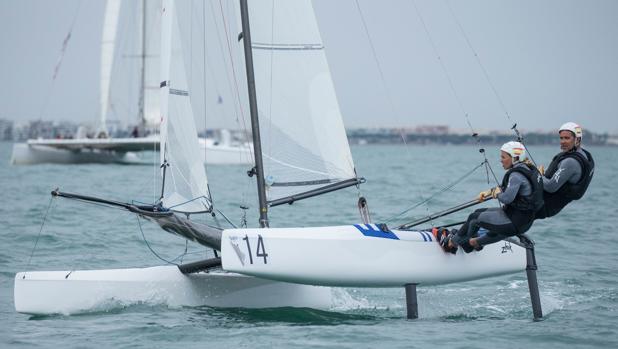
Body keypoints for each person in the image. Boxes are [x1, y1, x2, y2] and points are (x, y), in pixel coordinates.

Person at [435, 141, 544, 253]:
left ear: (515, 158)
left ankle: (451, 244)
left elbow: (506, 198)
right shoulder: (529, 169)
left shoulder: (516, 175)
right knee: (479, 211)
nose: (501, 160)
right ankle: (472, 243)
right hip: (524, 222)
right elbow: (512, 189)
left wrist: (496, 194)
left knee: (473, 218)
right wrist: (489, 192)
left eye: (503, 157)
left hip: (513, 222)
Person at [535, 122, 594, 219]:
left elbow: (550, 187)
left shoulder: (571, 162)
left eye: (567, 138)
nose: (563, 141)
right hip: (550, 207)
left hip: (542, 206)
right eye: (561, 138)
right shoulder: (584, 155)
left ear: (577, 140)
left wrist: (537, 175)